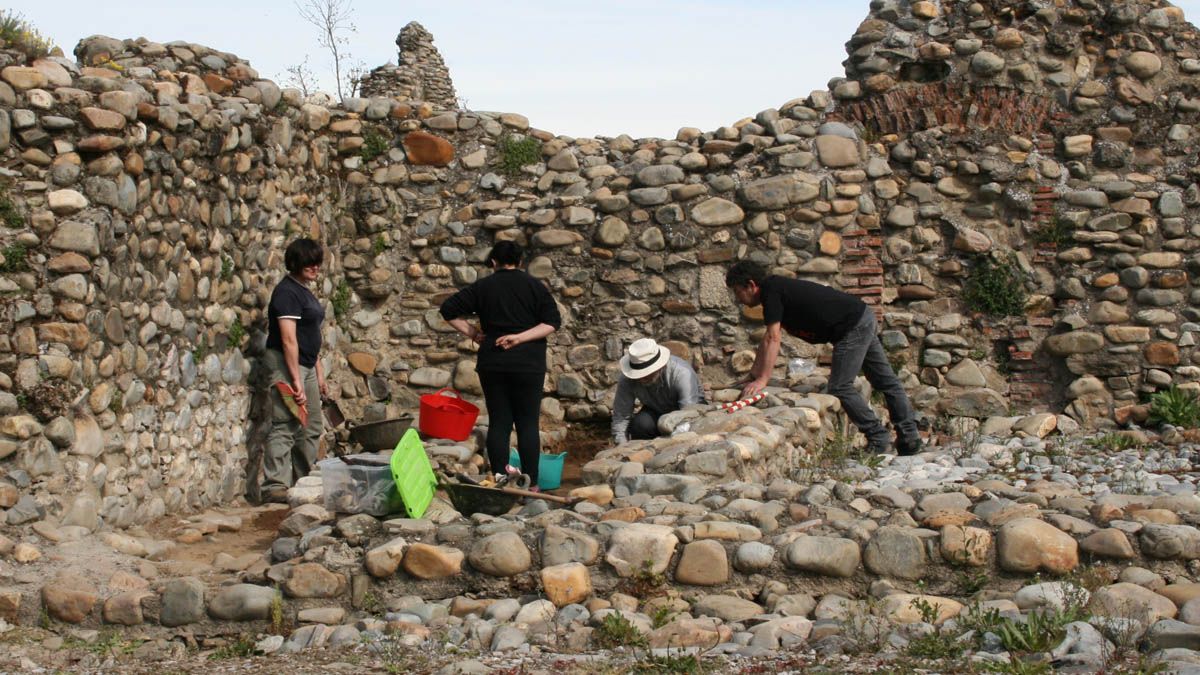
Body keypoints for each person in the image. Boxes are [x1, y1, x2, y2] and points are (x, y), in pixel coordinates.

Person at [725, 260, 922, 455]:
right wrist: (754, 374)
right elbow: (767, 340)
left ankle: (878, 437)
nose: (738, 298)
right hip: (861, 316)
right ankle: (909, 437)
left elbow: (773, 338)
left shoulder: (771, 292)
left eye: (737, 291)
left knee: (840, 386)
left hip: (851, 326)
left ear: (751, 285)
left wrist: (763, 379)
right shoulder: (775, 288)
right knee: (886, 381)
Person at [439, 241, 561, 489]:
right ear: (521, 262)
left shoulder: (484, 287)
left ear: (493, 262)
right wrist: (520, 337)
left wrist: (474, 334)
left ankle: (500, 479)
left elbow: (448, 309)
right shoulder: (535, 286)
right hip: (529, 363)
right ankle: (532, 483)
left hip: (493, 362)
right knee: (527, 423)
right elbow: (552, 322)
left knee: (500, 423)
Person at [261, 238, 328, 503]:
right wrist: (295, 379)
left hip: (307, 364)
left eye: (318, 262)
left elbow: (311, 334)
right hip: (286, 364)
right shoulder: (287, 293)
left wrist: (319, 373)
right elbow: (289, 339)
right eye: (309, 262)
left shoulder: (304, 290)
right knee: (286, 422)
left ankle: (303, 479)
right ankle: (274, 486)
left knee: (311, 425)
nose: (315, 267)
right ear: (296, 262)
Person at [611, 338, 705, 444]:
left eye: (646, 375)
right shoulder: (627, 378)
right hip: (656, 411)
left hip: (689, 412)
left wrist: (673, 444)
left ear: (661, 366)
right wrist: (622, 446)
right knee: (640, 424)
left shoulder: (682, 373)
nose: (641, 379)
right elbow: (621, 416)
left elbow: (688, 413)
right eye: (639, 375)